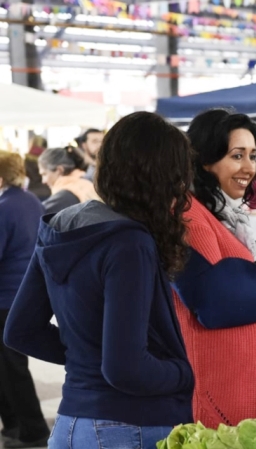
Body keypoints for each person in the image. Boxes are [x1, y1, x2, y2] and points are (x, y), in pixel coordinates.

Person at [3, 112, 195, 449]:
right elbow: (125, 368)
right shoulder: (130, 242)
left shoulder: (61, 224)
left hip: (71, 424)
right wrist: (183, 372)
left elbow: (20, 330)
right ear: (163, 176)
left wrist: (86, 359)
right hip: (130, 424)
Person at [172, 109, 256, 427]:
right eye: (237, 155)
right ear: (205, 160)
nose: (249, 167)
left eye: (252, 155)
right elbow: (216, 303)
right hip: (217, 392)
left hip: (240, 388)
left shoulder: (229, 217)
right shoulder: (189, 215)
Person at [0, 151, 49, 448]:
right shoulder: (30, 200)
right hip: (24, 293)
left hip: (5, 296)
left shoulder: (4, 207)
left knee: (11, 367)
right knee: (9, 365)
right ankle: (15, 424)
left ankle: (33, 430)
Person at [38, 146, 100, 215]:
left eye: (44, 174)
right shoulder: (85, 183)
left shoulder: (64, 196)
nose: (43, 181)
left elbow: (37, 215)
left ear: (59, 170)